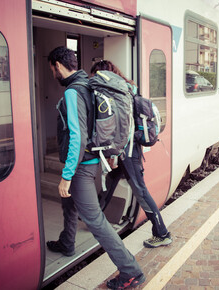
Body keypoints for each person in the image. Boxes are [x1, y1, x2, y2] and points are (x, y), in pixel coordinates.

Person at [46, 47, 145, 289]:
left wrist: (67, 176)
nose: (52, 74)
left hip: (80, 166)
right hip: (91, 160)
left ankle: (131, 272)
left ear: (58, 65)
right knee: (68, 204)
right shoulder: (89, 84)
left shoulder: (73, 92)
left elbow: (77, 136)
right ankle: (67, 242)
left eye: (51, 69)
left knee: (95, 220)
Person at [91, 60, 172, 248]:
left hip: (127, 152)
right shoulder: (127, 89)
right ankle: (94, 219)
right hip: (127, 150)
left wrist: (115, 151)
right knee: (109, 183)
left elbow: (123, 127)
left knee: (141, 191)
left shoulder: (118, 93)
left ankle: (162, 233)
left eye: (97, 74)